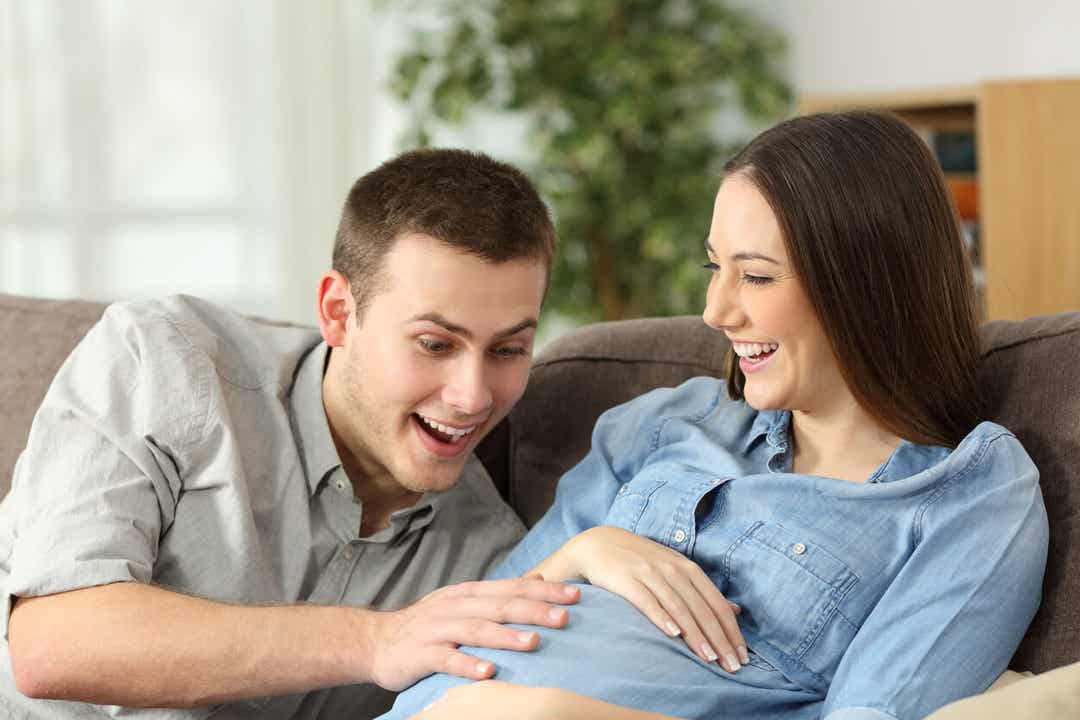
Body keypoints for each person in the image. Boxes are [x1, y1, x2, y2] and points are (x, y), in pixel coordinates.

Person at [379, 111, 1050, 720]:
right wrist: (586, 551)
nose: (715, 311)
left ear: (866, 283)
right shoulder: (673, 420)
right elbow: (477, 619)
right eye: (714, 268)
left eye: (754, 276)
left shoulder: (968, 494)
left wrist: (555, 714)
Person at [0, 149, 583, 719]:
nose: (473, 396)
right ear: (338, 312)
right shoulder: (164, 362)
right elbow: (53, 642)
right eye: (435, 344)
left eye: (508, 350)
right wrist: (376, 641)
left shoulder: (489, 560)